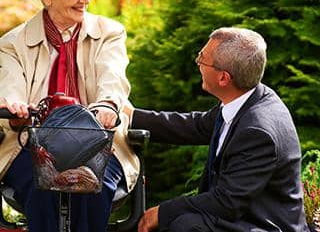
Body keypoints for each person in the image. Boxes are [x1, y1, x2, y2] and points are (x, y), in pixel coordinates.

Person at [0, 0, 139, 232]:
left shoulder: (110, 33)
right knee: (44, 186)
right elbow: (9, 85)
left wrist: (108, 105)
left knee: (91, 186)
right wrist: (14, 107)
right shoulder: (13, 43)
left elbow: (112, 76)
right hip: (32, 145)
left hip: (99, 146)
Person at [132, 27, 310, 232]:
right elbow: (195, 126)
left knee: (186, 226)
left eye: (202, 58)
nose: (197, 62)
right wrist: (131, 117)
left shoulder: (257, 131)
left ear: (224, 78)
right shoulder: (246, 98)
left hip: (263, 225)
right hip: (243, 214)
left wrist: (162, 212)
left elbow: (226, 203)